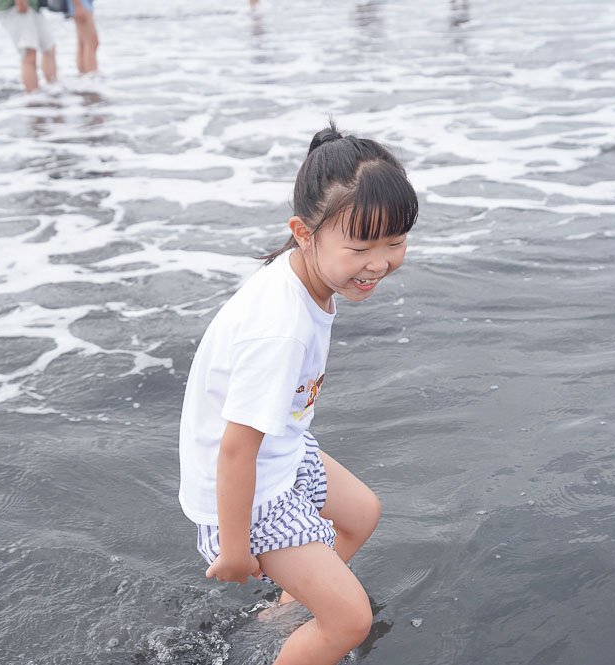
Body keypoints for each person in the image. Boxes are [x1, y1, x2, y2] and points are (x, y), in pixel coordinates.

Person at [178, 121, 418, 665]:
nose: (379, 262)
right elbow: (236, 449)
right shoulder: (279, 328)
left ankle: (281, 618)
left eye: (396, 242)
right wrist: (236, 550)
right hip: (247, 487)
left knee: (360, 514)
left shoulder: (307, 274)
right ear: (304, 232)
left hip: (277, 448)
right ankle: (313, 635)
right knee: (352, 621)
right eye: (360, 247)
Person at [0, 0, 57, 93]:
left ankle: (54, 89)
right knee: (28, 53)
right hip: (15, 6)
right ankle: (35, 98)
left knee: (49, 48)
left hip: (33, 6)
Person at [65, 0, 99, 75]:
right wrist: (78, 5)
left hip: (82, 3)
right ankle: (92, 76)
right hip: (80, 3)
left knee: (83, 43)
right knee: (92, 42)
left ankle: (84, 76)